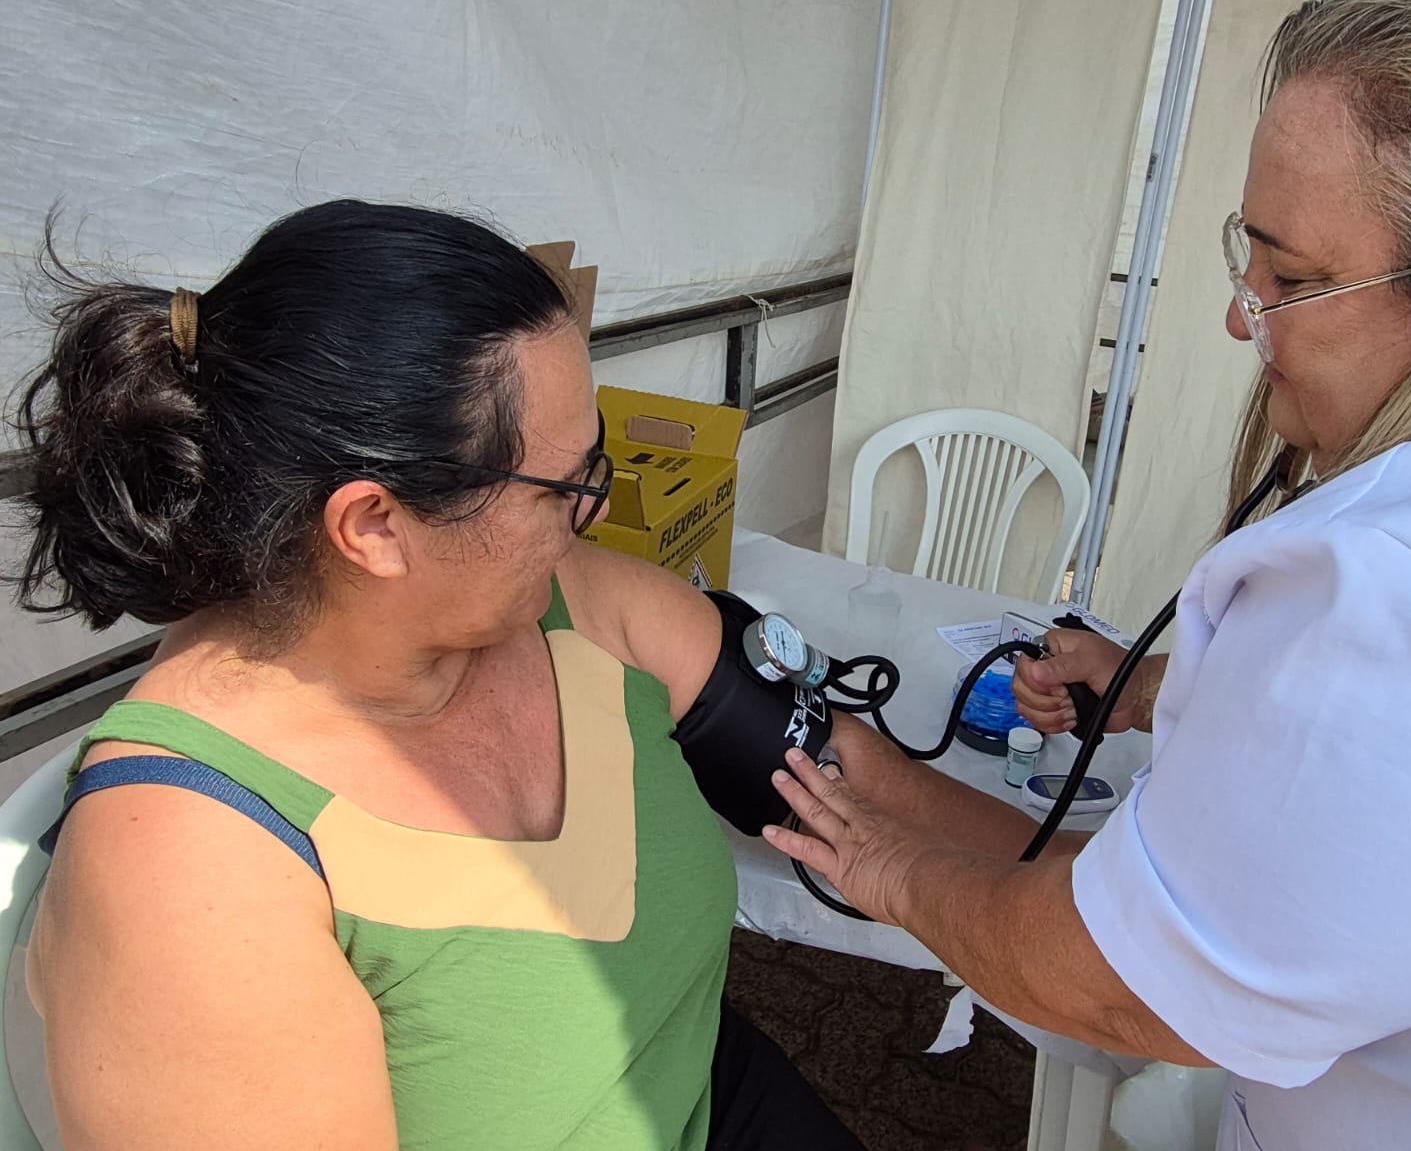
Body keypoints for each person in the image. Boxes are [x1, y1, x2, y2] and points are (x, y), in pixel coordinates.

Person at [766, 0, 1411, 1146]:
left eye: (1291, 277)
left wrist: (892, 868)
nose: (1238, 314)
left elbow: (1124, 987)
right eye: (1246, 256)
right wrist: (1151, 686)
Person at [14, 200, 863, 1151]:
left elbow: (839, 763)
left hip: (709, 1086)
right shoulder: (184, 872)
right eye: (565, 485)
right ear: (375, 526)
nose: (593, 511)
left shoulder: (551, 598)